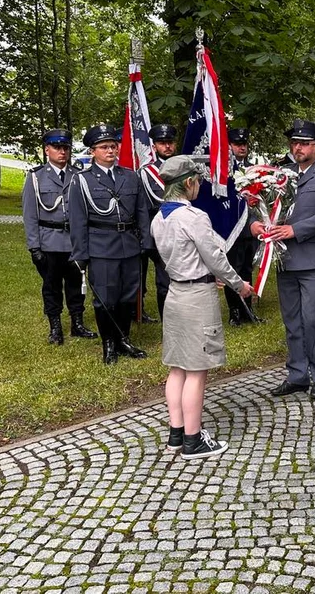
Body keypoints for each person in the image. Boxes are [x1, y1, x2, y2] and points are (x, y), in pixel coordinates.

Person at [152, 156, 254, 460]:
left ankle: (176, 434)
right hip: (197, 296)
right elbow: (215, 257)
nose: (200, 186)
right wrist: (239, 285)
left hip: (175, 294)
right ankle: (194, 440)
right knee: (197, 370)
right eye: (198, 181)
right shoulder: (193, 216)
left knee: (177, 368)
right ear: (188, 183)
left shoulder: (160, 217)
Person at [256, 119, 315, 400]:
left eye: (304, 143)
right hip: (285, 258)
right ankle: (297, 375)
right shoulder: (282, 173)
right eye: (294, 143)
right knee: (292, 320)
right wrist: (256, 225)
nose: (297, 147)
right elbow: (264, 207)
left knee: (312, 319)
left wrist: (295, 230)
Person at [69, 124, 153, 364]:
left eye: (113, 146)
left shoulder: (130, 176)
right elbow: (77, 220)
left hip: (129, 244)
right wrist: (80, 255)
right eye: (104, 147)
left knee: (128, 295)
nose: (110, 151)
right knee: (106, 297)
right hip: (101, 247)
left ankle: (123, 339)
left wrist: (145, 241)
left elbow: (141, 212)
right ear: (93, 151)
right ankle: (108, 344)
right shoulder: (82, 180)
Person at [22, 129, 97, 345]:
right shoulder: (36, 177)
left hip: (74, 241)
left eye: (65, 148)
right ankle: (55, 326)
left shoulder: (79, 175)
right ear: (47, 150)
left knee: (76, 284)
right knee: (51, 286)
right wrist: (34, 246)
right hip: (49, 241)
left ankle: (77, 323)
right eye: (57, 147)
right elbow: (30, 215)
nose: (62, 152)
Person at [135, 123, 178, 323]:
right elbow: (142, 206)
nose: (167, 146)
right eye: (162, 143)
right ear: (155, 146)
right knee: (164, 279)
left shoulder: (184, 167)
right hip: (157, 229)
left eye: (170, 142)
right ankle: (166, 322)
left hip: (181, 228)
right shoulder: (146, 172)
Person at [224, 127, 261, 325]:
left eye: (244, 144)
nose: (242, 148)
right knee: (233, 268)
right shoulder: (223, 170)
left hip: (250, 227)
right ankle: (234, 312)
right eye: (238, 144)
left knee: (247, 268)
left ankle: (248, 310)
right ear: (230, 146)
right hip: (232, 228)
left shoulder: (253, 170)